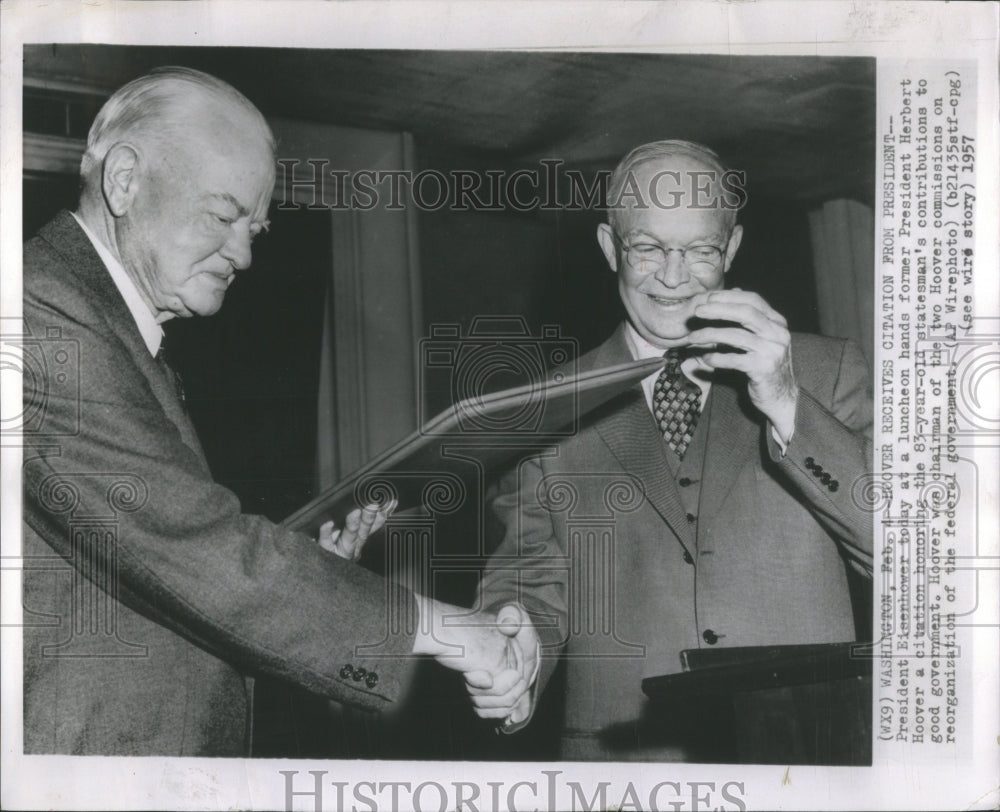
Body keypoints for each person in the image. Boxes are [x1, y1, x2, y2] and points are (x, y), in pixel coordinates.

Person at [20, 66, 517, 756]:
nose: (245, 254)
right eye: (223, 216)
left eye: (255, 226)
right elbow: (192, 544)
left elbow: (160, 561)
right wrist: (444, 628)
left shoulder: (115, 334)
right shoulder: (36, 316)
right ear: (124, 180)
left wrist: (309, 567)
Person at [469, 140, 874, 760]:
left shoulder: (827, 370)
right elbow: (530, 574)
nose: (674, 275)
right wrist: (516, 641)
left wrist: (787, 400)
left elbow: (909, 553)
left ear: (732, 248)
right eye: (649, 247)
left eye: (701, 250)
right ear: (610, 247)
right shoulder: (544, 407)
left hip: (805, 757)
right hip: (622, 772)